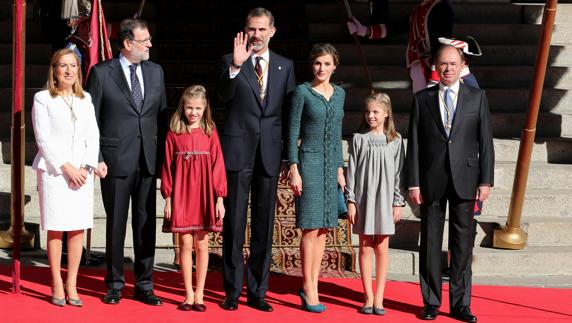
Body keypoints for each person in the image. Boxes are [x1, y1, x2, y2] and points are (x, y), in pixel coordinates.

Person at [406, 45, 494, 322]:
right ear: (436, 66)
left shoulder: (477, 97)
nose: (447, 69)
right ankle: (431, 301)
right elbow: (415, 145)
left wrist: (486, 180)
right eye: (443, 64)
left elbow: (486, 143)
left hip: (466, 178)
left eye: (453, 64)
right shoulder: (422, 99)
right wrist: (413, 183)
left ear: (462, 65)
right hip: (431, 179)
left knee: (462, 244)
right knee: (430, 242)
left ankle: (461, 304)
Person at [217, 7, 296, 312]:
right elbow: (222, 96)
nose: (257, 35)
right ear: (245, 30)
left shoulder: (285, 66)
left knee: (264, 225)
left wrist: (290, 158)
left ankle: (258, 291)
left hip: (270, 154)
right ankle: (232, 291)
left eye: (262, 29)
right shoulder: (229, 61)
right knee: (234, 225)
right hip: (238, 152)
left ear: (272, 31)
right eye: (252, 29)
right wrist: (236, 68)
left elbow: (289, 114)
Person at [85, 18, 167, 306]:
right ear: (128, 43)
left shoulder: (156, 72)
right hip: (115, 160)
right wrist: (95, 157)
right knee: (117, 224)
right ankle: (115, 284)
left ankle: (144, 284)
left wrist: (162, 161)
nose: (150, 45)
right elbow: (90, 118)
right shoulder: (102, 73)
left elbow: (162, 117)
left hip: (147, 160)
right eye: (144, 41)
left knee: (145, 226)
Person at [31, 48, 101, 307]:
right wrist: (67, 167)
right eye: (63, 66)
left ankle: (72, 282)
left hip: (82, 174)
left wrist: (86, 167)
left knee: (77, 228)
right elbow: (43, 138)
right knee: (57, 228)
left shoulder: (86, 99)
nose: (69, 70)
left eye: (73, 65)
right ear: (55, 71)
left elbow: (93, 136)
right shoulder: (42, 99)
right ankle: (57, 282)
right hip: (55, 173)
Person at [287, 43, 345, 313]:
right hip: (308, 162)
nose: (321, 68)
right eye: (317, 63)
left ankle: (314, 282)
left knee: (323, 228)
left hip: (330, 165)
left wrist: (340, 168)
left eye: (326, 64)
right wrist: (294, 167)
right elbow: (292, 131)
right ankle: (308, 285)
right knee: (310, 227)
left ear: (335, 66)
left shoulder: (340, 94)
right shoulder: (302, 92)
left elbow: (337, 134)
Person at [161, 85, 227, 312]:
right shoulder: (174, 133)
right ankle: (188, 293)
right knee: (185, 243)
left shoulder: (210, 132)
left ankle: (200, 293)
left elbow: (219, 166)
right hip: (181, 195)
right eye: (189, 107)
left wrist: (220, 198)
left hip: (204, 194)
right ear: (183, 107)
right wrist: (167, 197)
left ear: (205, 108)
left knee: (201, 243)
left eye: (198, 108)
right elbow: (167, 168)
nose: (193, 112)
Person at [345, 92, 405, 315]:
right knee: (364, 246)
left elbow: (400, 173)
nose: (371, 116)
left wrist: (398, 202)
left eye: (376, 112)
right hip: (364, 198)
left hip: (386, 199)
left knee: (382, 246)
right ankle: (367, 296)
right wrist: (351, 200)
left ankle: (380, 298)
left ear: (386, 113)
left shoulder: (396, 141)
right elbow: (352, 171)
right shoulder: (359, 139)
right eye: (368, 111)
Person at [347, 0, 454, 93]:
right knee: (421, 108)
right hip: (418, 66)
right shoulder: (419, 9)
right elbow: (396, 27)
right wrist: (365, 30)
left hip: (432, 68)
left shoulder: (442, 7)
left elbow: (445, 42)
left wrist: (436, 70)